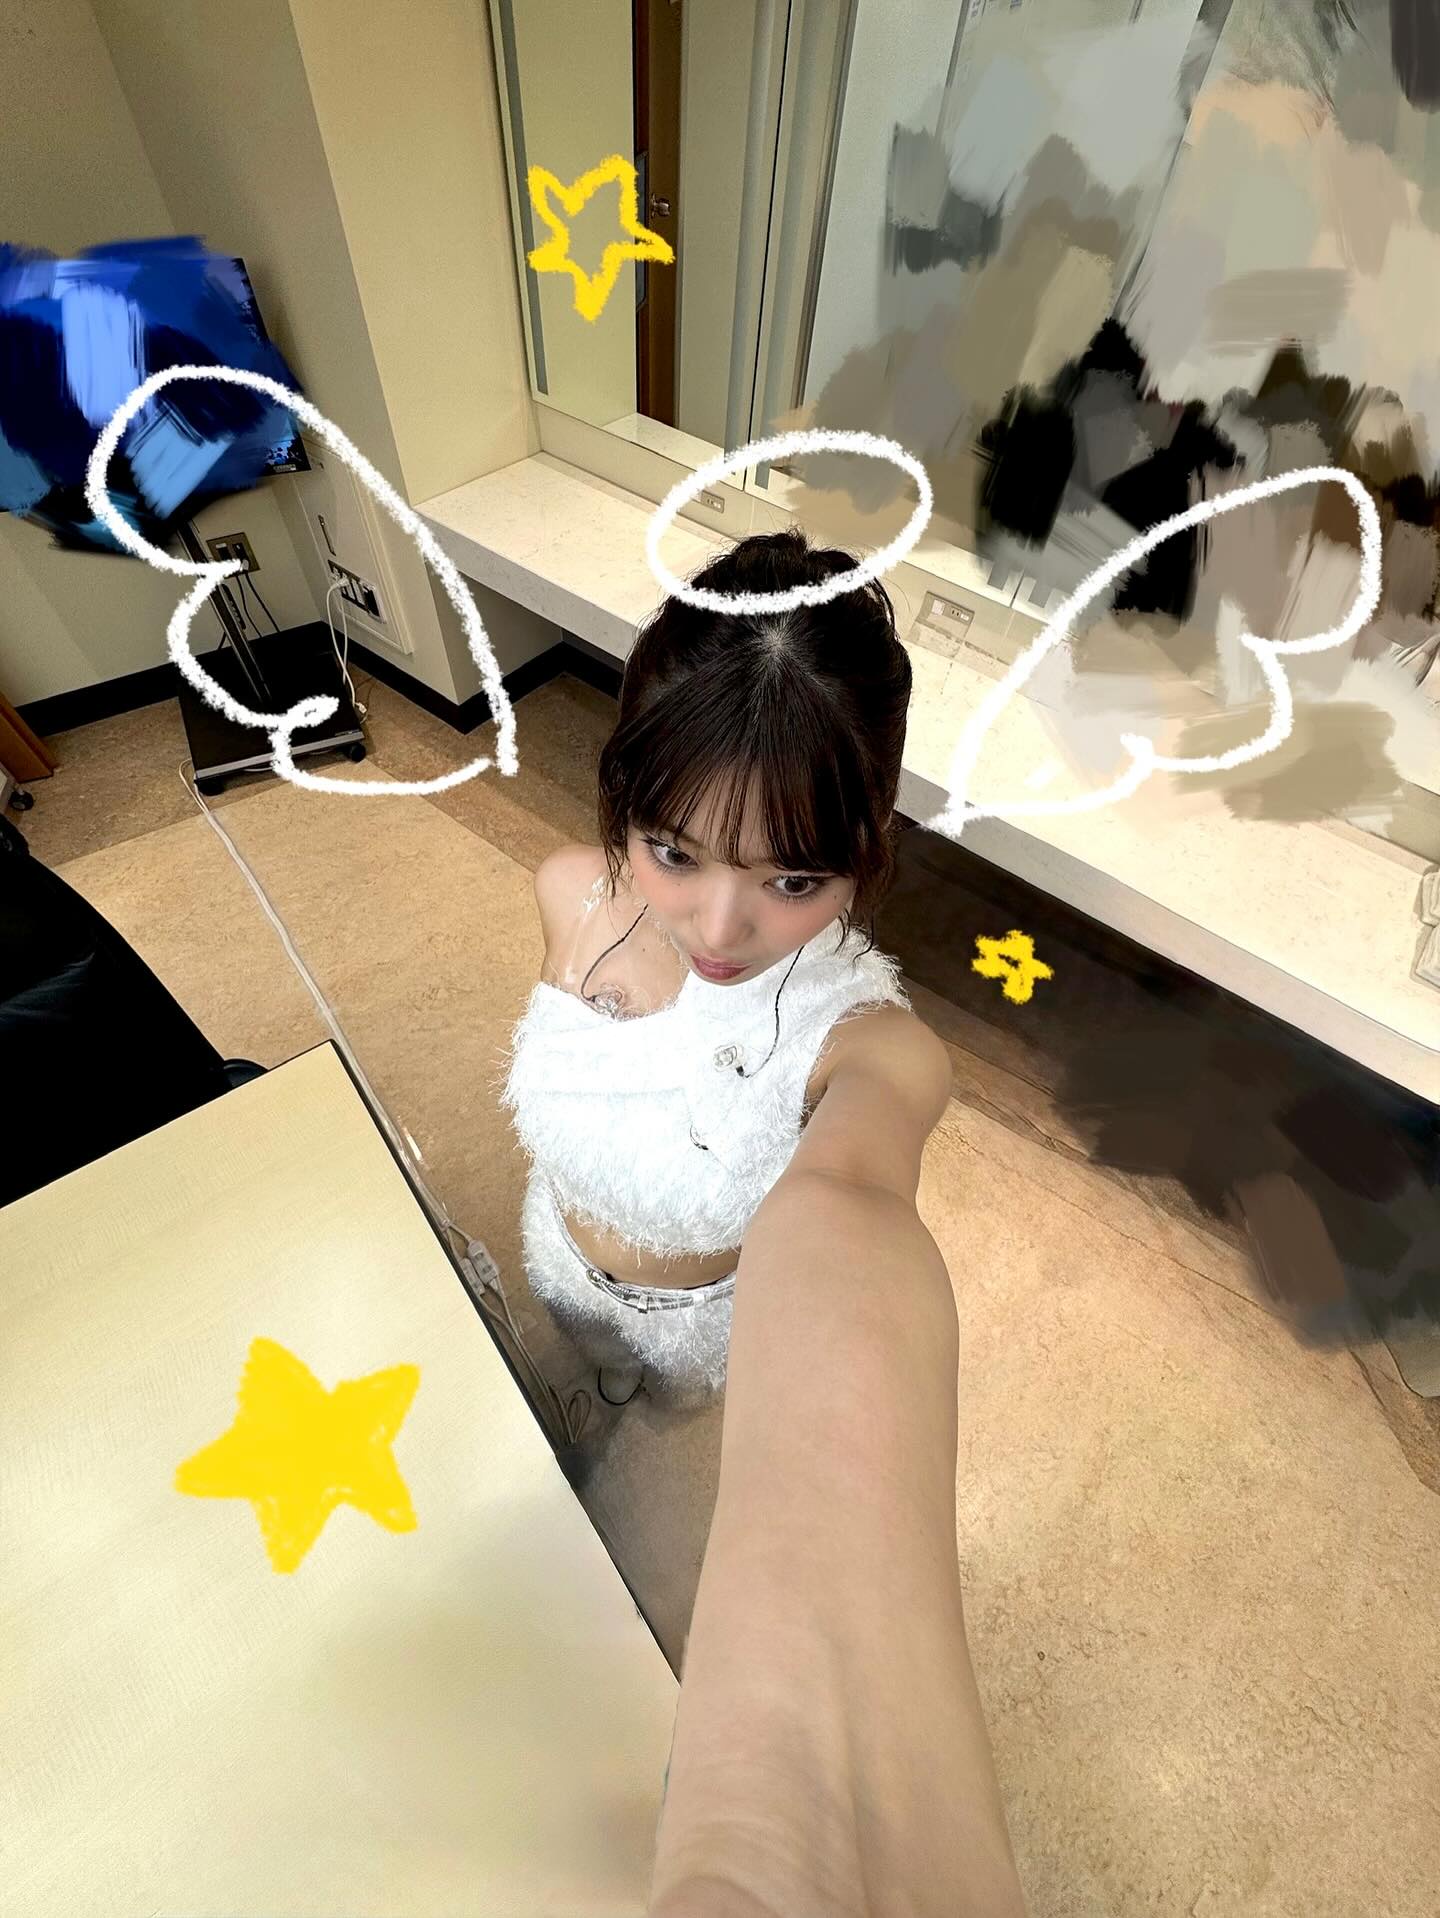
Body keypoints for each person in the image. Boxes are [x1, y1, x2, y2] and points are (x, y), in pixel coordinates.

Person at [503, 527, 927, 1411]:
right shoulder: (568, 890)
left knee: (677, 1393)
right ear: (624, 797)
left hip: (701, 1315)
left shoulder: (866, 1041)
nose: (722, 931)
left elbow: (866, 1202)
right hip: (561, 1255)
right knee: (592, 1345)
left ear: (872, 834)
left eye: (793, 880)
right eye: (674, 853)